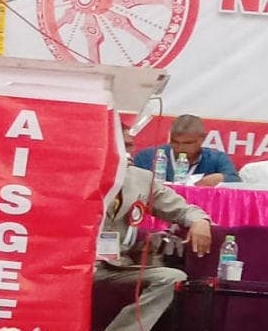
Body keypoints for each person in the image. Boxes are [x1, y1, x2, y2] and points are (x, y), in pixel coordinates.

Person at [94, 164, 212, 331]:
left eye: (128, 148)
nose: (126, 152)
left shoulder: (141, 178)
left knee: (173, 277)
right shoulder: (79, 171)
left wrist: (200, 221)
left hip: (117, 264)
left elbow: (182, 210)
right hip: (76, 264)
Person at [133, 114, 241, 186]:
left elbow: (236, 181)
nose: (180, 148)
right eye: (175, 142)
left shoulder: (216, 158)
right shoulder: (148, 156)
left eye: (187, 143)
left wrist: (221, 178)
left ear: (202, 139)